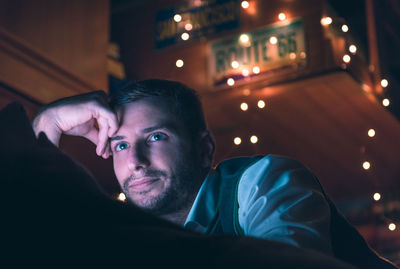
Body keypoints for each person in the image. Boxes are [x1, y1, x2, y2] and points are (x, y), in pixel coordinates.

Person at [32, 79, 397, 268]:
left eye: (156, 137)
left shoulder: (263, 179)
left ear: (204, 148)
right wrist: (48, 123)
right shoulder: (128, 229)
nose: (136, 162)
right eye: (121, 145)